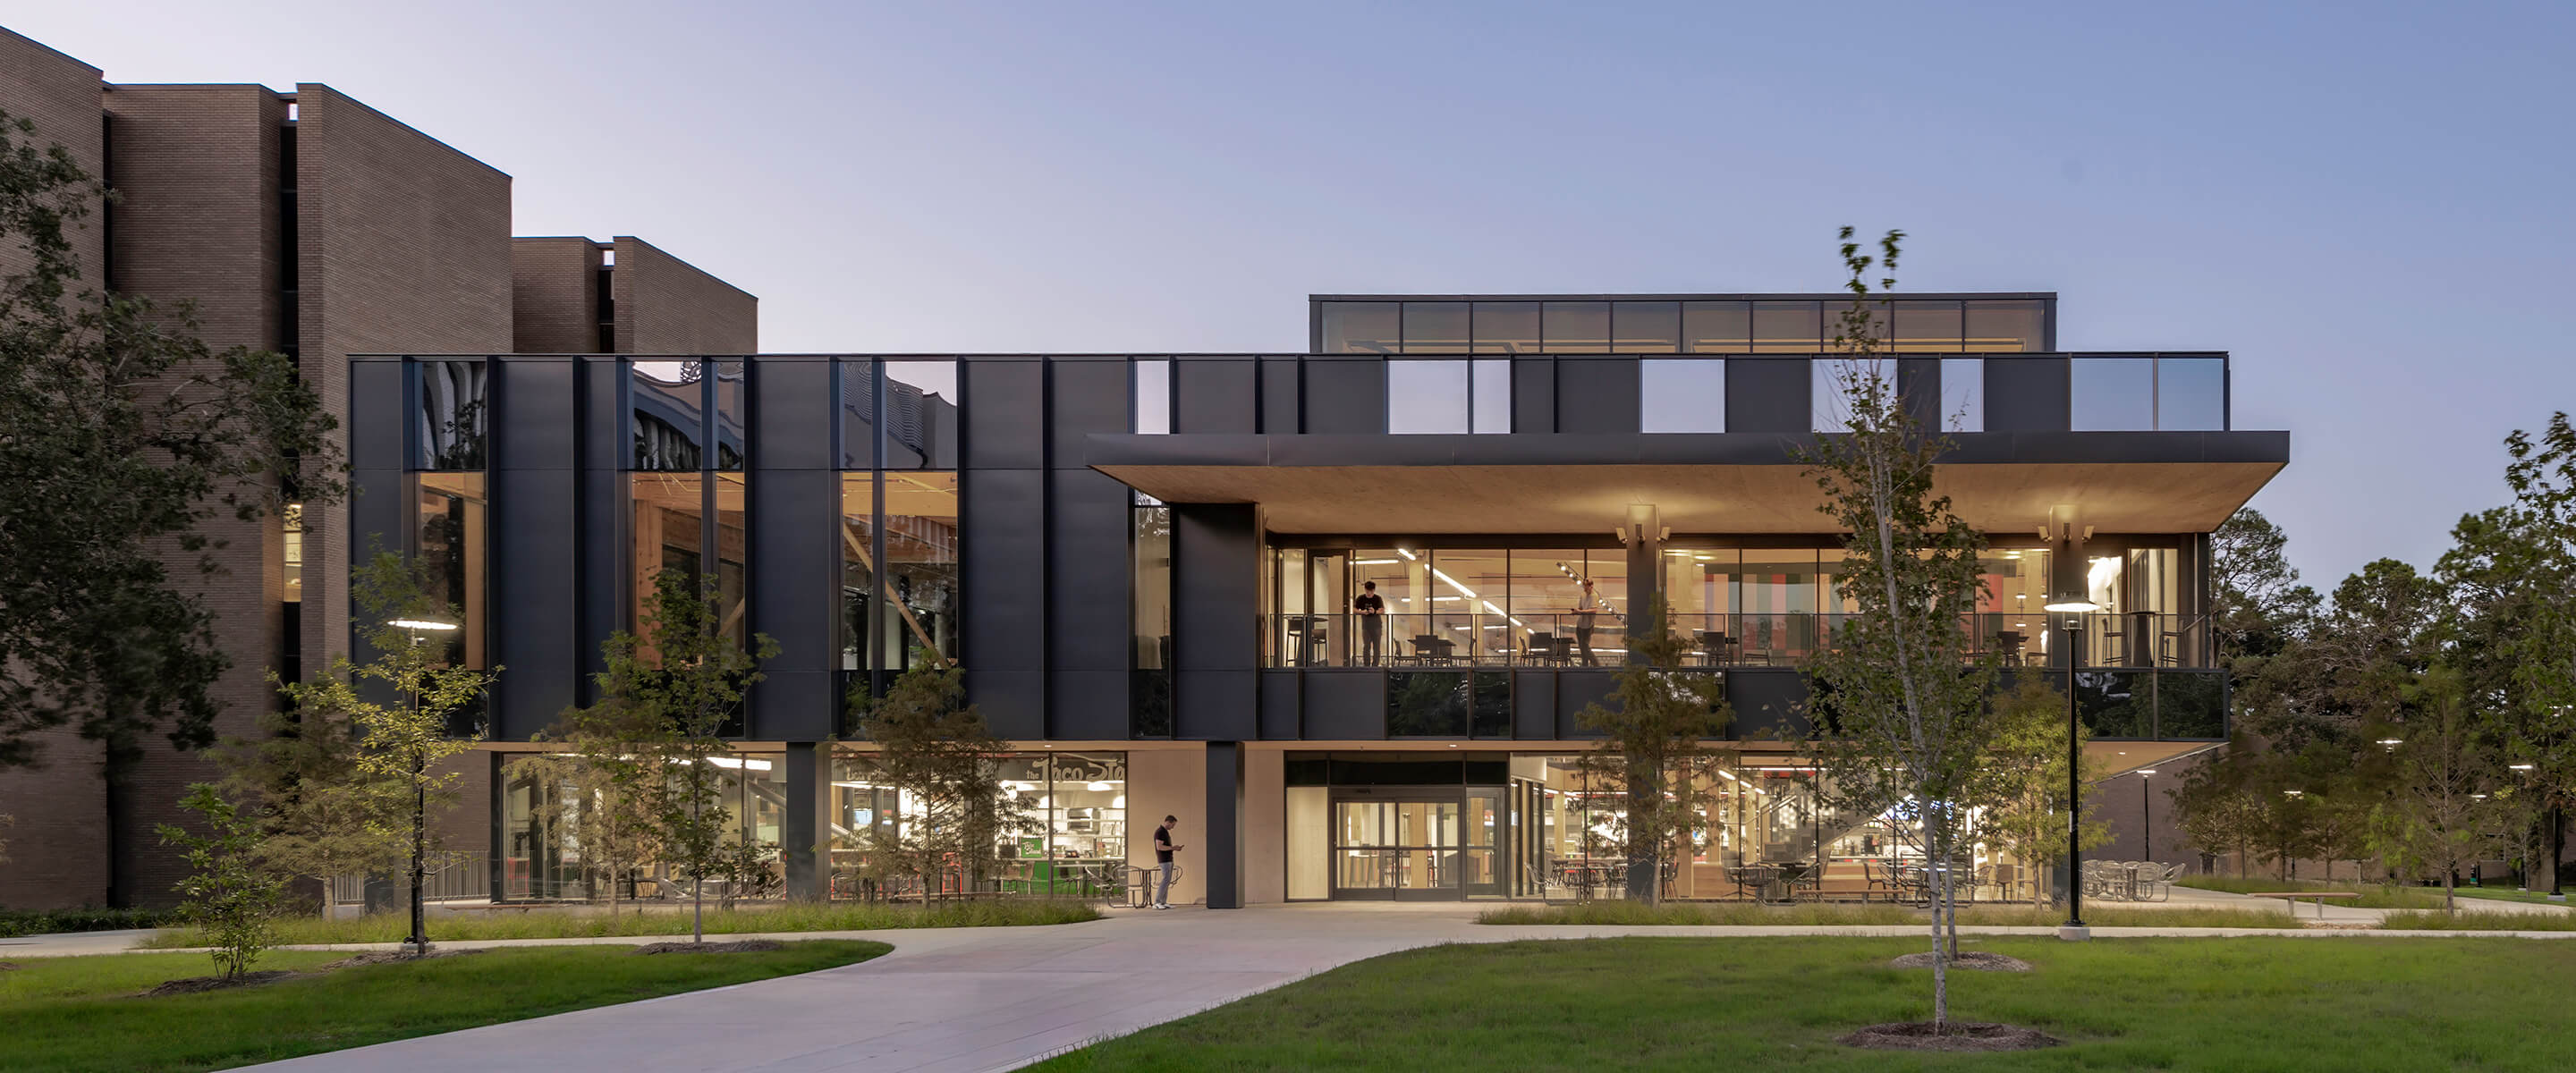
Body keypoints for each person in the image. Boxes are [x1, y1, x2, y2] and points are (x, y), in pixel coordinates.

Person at [1151, 815, 1182, 909]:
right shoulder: (1160, 832)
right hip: (1164, 860)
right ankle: (1157, 902)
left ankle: (1163, 902)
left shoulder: (1164, 832)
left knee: (1167, 880)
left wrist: (1174, 849)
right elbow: (1159, 847)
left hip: (1168, 859)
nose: (1173, 827)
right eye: (1173, 825)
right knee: (1165, 880)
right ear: (1168, 822)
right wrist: (1173, 848)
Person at [1352, 580, 1385, 667]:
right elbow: (1354, 609)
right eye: (1367, 591)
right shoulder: (1360, 598)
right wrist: (1362, 612)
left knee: (1376, 647)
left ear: (1374, 590)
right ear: (1365, 589)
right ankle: (1366, 665)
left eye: (1371, 591)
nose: (1369, 593)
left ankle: (1375, 665)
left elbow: (1382, 610)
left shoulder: (1378, 598)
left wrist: (1374, 611)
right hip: (1366, 627)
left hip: (1377, 626)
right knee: (1366, 646)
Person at [1574, 578, 1605, 666]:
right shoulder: (1583, 595)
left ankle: (1596, 665)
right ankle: (1585, 664)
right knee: (1581, 646)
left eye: (1586, 586)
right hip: (1580, 624)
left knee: (1585, 646)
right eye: (1584, 586)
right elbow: (1581, 608)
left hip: (1588, 625)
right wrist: (1576, 611)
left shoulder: (1594, 596)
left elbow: (1593, 610)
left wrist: (1580, 612)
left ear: (1591, 586)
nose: (1585, 588)